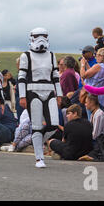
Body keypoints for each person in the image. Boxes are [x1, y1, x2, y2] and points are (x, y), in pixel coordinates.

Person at [17, 27, 63, 168]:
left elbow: (55, 77)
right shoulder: (26, 56)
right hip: (33, 92)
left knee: (53, 124)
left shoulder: (51, 55)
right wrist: (22, 96)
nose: (41, 39)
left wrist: (59, 94)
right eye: (38, 36)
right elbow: (21, 78)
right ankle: (39, 158)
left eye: (44, 36)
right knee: (36, 125)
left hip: (49, 91)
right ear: (31, 38)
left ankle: (37, 141)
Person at [80, 47, 104, 115]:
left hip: (94, 98)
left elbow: (83, 75)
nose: (95, 56)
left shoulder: (98, 66)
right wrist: (86, 64)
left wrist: (82, 65)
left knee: (92, 120)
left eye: (97, 55)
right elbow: (92, 74)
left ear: (102, 56)